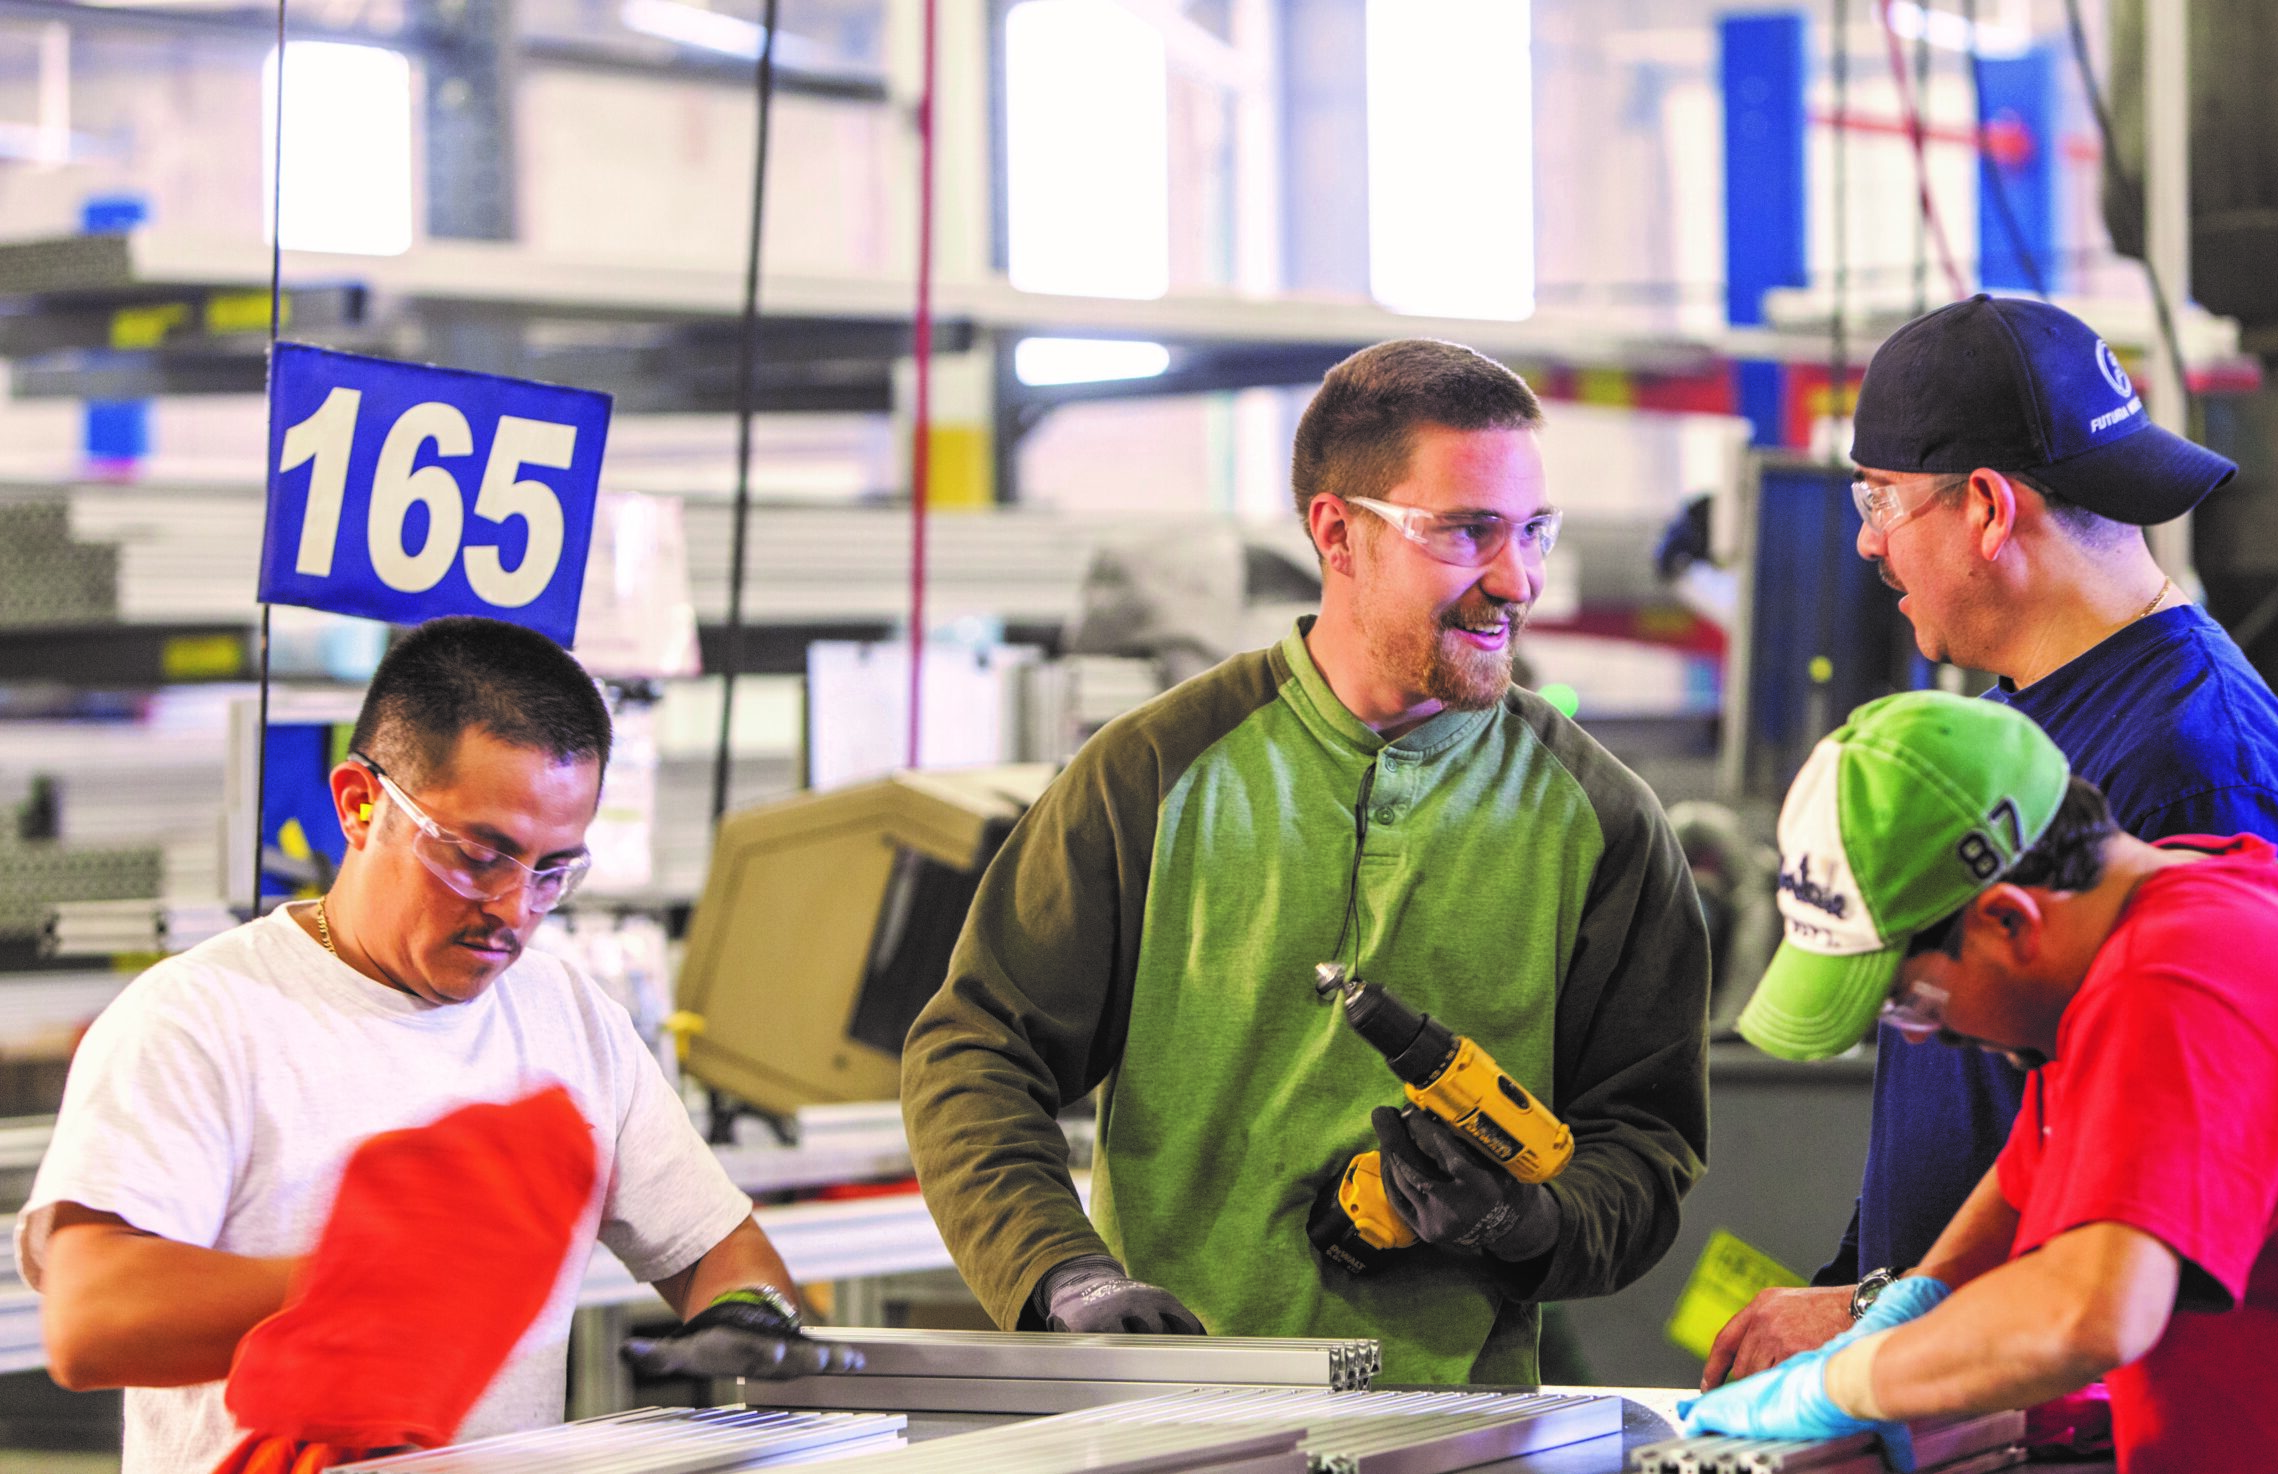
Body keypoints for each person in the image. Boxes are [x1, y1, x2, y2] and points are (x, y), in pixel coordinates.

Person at [903, 338, 1710, 1384]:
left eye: (1532, 530)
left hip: (1457, 1436)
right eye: (1467, 531)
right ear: (1338, 531)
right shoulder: (1152, 774)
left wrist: (1526, 1221)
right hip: (1173, 1424)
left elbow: (1643, 1144)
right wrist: (1064, 1278)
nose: (1517, 580)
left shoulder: (1604, 823)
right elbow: (976, 1053)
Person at [21, 617, 852, 1474]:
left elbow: (717, 1247)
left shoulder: (566, 1018)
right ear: (359, 804)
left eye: (552, 870)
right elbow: (89, 1322)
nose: (514, 908)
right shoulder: (198, 1018)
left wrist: (746, 1316)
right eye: (478, 854)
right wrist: (381, 1281)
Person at [1705, 295, 2278, 1384]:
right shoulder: (2018, 721)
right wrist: (1879, 1297)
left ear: (1990, 510)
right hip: (1962, 1372)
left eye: (1881, 497)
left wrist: (1876, 1332)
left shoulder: (2197, 768)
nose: (1865, 538)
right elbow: (2035, 1116)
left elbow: (2171, 1195)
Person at [1684, 691, 2278, 1471]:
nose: (1934, 1037)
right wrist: (1913, 1304)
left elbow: (2090, 1315)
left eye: (1913, 1004)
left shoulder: (2181, 979)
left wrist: (1845, 1383)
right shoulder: (2150, 929)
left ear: (2007, 918)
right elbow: (2028, 1181)